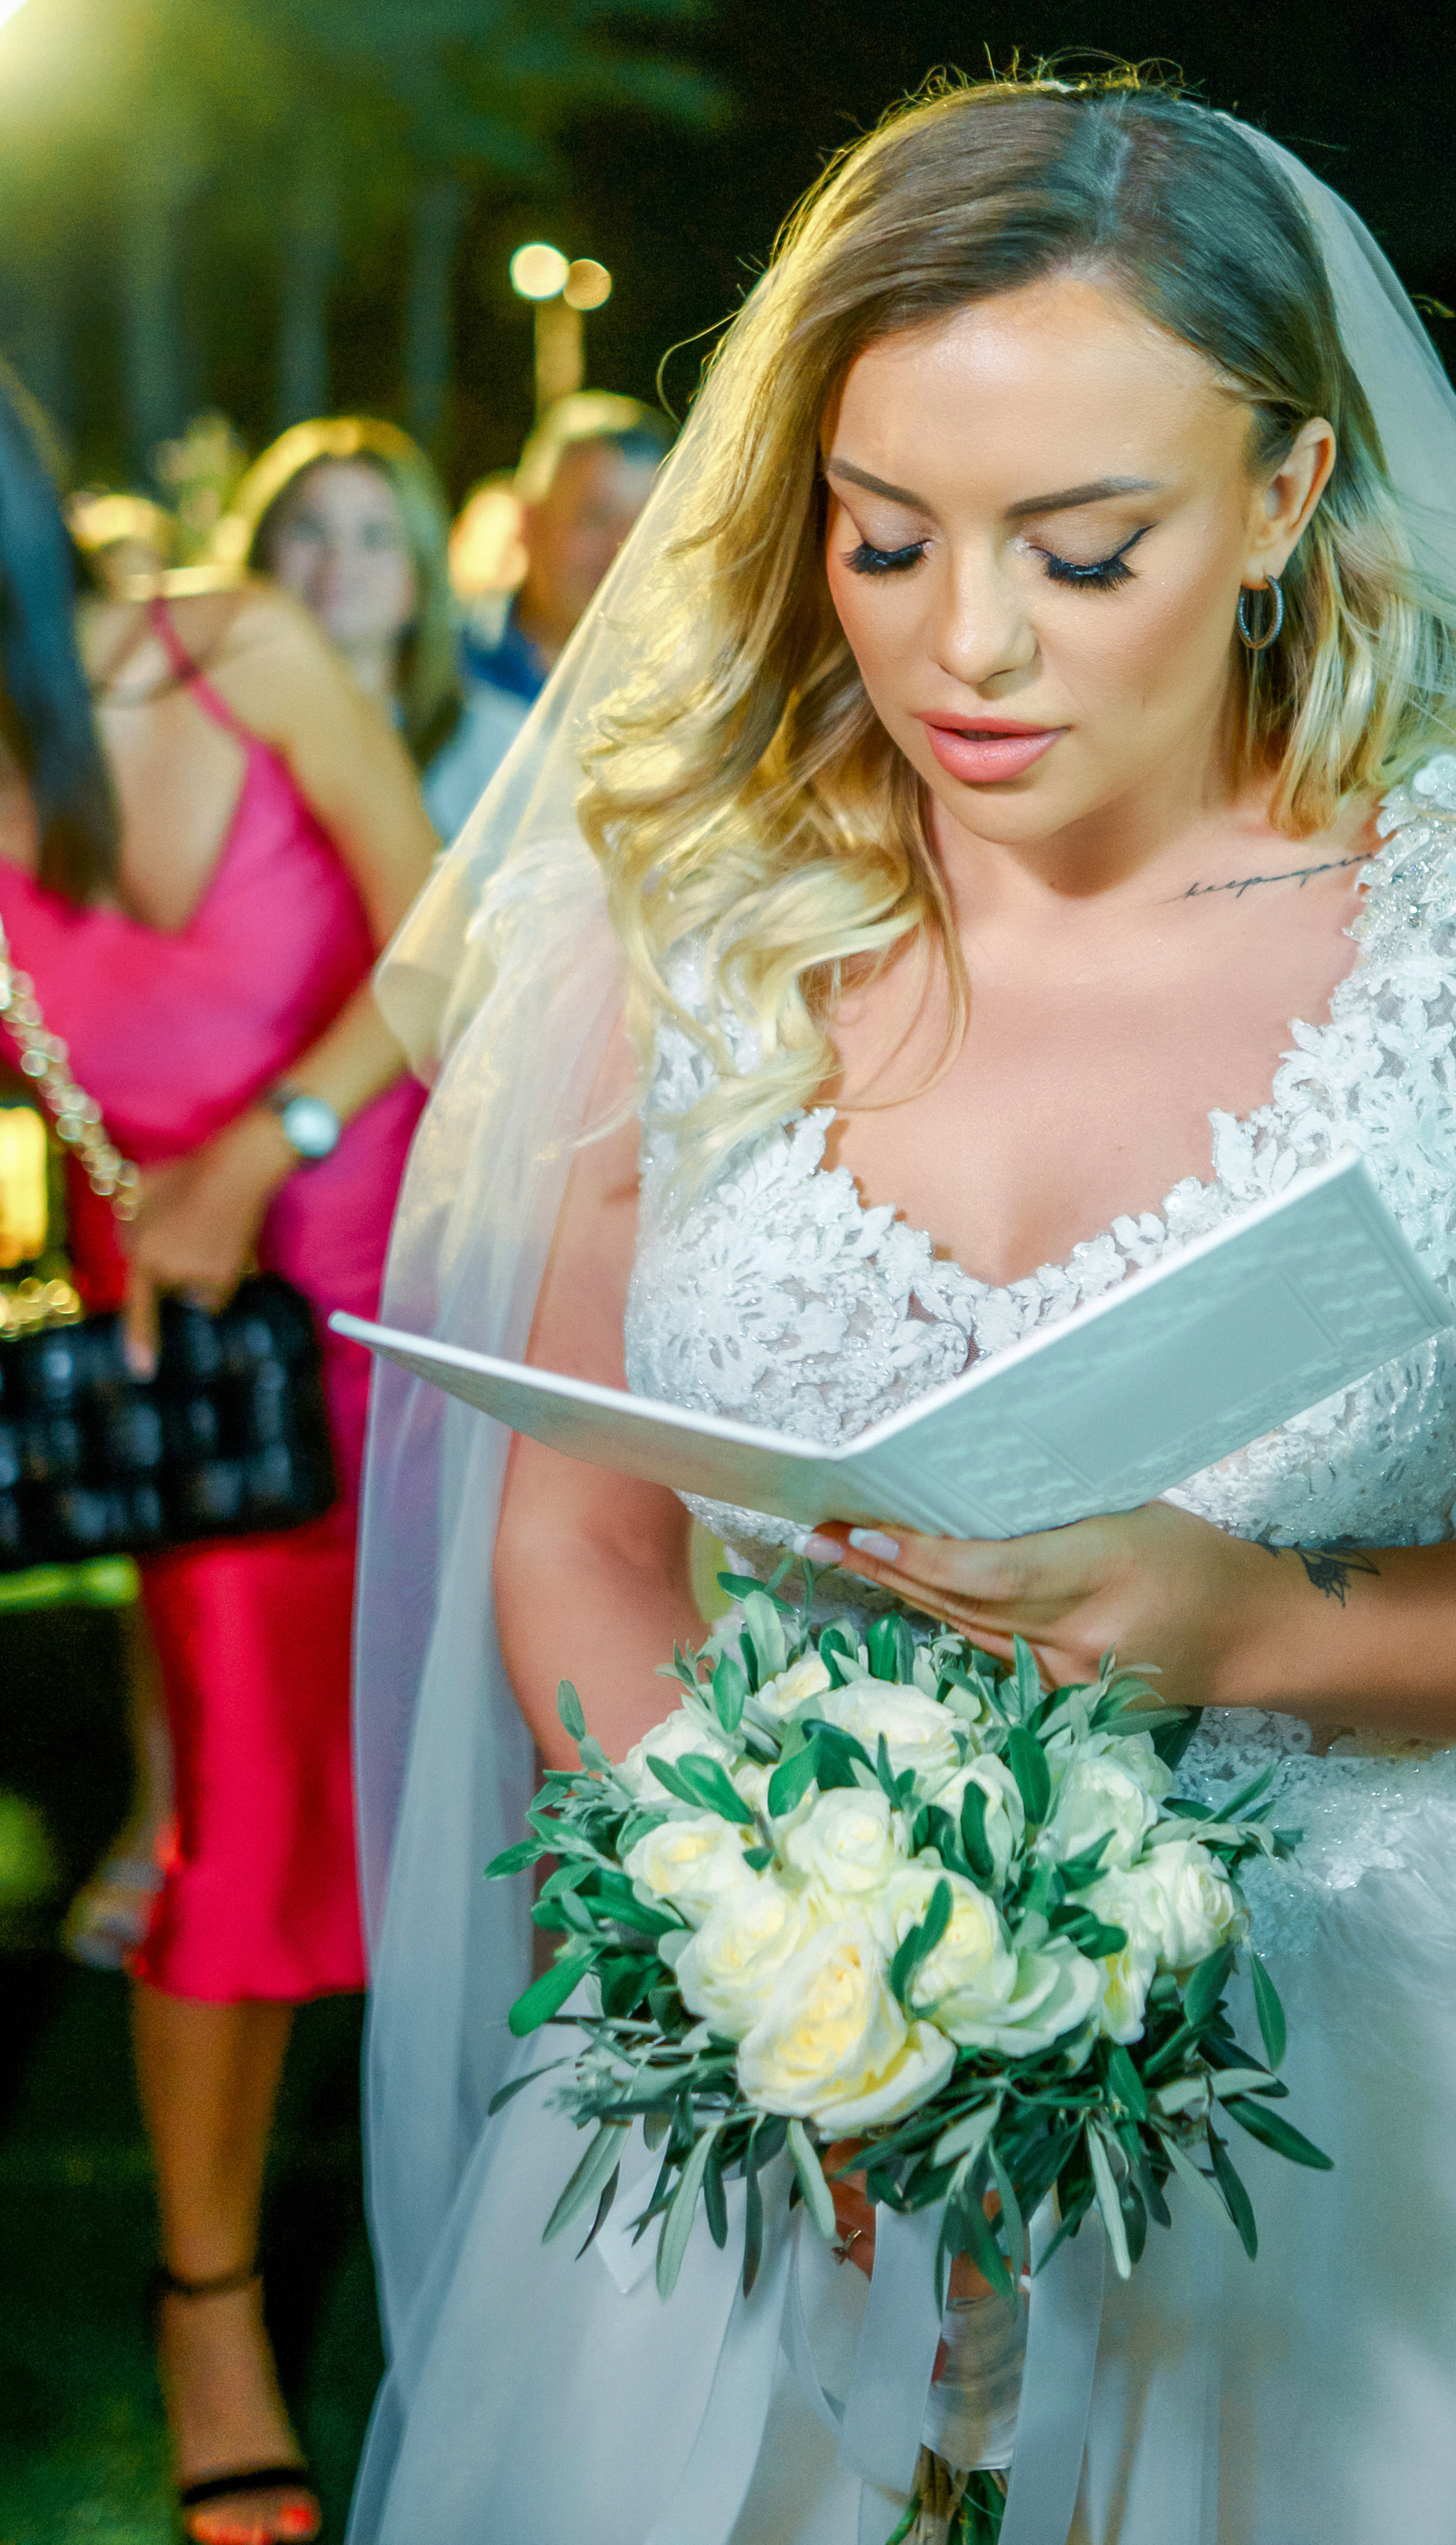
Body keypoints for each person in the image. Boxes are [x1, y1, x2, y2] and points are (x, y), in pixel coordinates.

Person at [348, 79, 1456, 2543]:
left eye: (1083, 546)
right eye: (882, 537)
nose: (964, 643)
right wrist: (769, 1921)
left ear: (1285, 495)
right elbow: (576, 1539)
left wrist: (1263, 1615)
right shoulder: (670, 923)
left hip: (1359, 2088)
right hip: (780, 2065)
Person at [0, 369, 435, 2544]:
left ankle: (523, 2259)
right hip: (209, 1402)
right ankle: (208, 2308)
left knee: (497, 1796)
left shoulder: (232, 646)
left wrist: (271, 1137)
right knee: (244, 1834)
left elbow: (451, 949)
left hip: (422, 1309)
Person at [222, 415, 518, 843]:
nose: (339, 561)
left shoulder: (501, 753)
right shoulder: (213, 736)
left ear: (420, 577)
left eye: (375, 537)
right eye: (310, 530)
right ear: (261, 556)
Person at [460, 390, 672, 721]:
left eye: (644, 523)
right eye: (597, 518)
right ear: (530, 524)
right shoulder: (451, 669)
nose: (624, 548)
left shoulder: (681, 680)